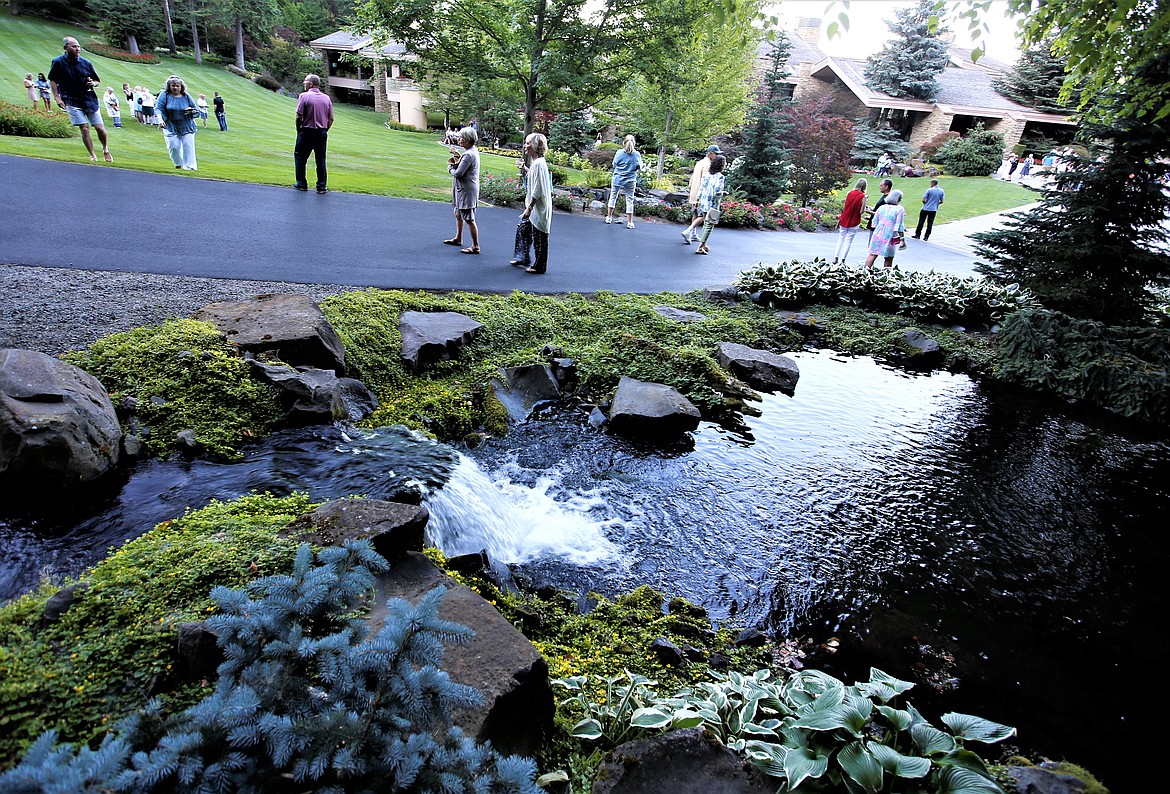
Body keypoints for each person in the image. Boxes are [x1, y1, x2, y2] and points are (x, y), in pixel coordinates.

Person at [47, 37, 112, 162]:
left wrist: (93, 84)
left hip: (89, 99)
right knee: (84, 128)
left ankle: (105, 148)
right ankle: (92, 155)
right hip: (71, 99)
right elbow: (53, 80)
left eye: (78, 46)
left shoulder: (86, 63)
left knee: (99, 128)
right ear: (65, 48)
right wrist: (56, 97)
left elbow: (97, 81)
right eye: (74, 46)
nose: (77, 49)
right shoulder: (58, 62)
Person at [512, 132, 552, 274]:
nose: (525, 146)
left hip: (538, 208)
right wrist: (525, 169)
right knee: (523, 229)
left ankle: (539, 266)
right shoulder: (536, 164)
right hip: (535, 207)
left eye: (528, 143)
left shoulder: (539, 164)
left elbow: (538, 188)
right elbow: (536, 178)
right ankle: (523, 257)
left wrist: (529, 208)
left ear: (536, 146)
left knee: (540, 237)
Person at [442, 126, 481, 254]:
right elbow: (463, 162)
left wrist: (449, 168)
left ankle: (475, 246)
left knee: (469, 218)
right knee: (458, 213)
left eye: (461, 138)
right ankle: (458, 238)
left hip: (466, 190)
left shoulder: (469, 154)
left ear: (468, 139)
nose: (459, 140)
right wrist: (457, 154)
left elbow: (458, 173)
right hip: (462, 189)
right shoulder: (470, 152)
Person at [293, 74, 334, 194]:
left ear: (310, 84)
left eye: (305, 81)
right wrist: (325, 130)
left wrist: (298, 129)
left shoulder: (304, 96)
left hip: (306, 131)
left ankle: (302, 184)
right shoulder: (326, 98)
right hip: (321, 133)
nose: (303, 83)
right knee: (320, 160)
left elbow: (298, 116)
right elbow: (331, 118)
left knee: (300, 157)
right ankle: (321, 186)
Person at [155, 75, 199, 170]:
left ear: (181, 86)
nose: (175, 88)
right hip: (170, 125)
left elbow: (196, 110)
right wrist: (160, 120)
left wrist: (192, 112)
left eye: (177, 86)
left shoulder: (186, 96)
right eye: (173, 86)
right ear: (169, 86)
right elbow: (158, 108)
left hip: (186, 125)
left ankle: (190, 167)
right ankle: (178, 163)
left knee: (188, 146)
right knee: (174, 146)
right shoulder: (165, 95)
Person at [681, 145, 721, 243]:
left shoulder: (700, 163)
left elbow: (693, 177)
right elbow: (705, 182)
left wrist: (691, 190)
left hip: (694, 191)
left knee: (695, 212)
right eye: (716, 154)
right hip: (701, 193)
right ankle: (689, 231)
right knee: (703, 215)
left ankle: (693, 233)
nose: (717, 156)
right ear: (711, 153)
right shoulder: (708, 165)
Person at [604, 135, 642, 228]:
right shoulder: (636, 154)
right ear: (634, 143)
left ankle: (609, 217)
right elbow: (639, 167)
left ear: (624, 142)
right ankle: (630, 222)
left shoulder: (619, 153)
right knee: (629, 200)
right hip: (630, 180)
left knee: (613, 196)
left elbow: (614, 164)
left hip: (618, 178)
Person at [693, 154, 726, 255]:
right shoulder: (720, 177)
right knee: (709, 226)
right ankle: (700, 247)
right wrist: (723, 193)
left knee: (705, 224)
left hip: (703, 202)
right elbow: (717, 191)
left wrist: (698, 200)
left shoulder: (707, 175)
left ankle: (703, 244)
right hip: (712, 204)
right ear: (721, 165)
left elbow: (701, 188)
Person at [866, 189, 906, 269]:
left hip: (878, 233)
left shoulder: (882, 207)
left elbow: (874, 223)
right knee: (889, 257)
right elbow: (899, 225)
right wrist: (902, 239)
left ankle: (865, 272)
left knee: (873, 254)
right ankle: (886, 273)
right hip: (890, 234)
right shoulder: (900, 209)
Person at [832, 178, 867, 264]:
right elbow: (861, 211)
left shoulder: (849, 193)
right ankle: (843, 260)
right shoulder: (863, 196)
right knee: (849, 240)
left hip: (845, 218)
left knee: (841, 238)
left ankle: (836, 257)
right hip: (854, 220)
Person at [863, 178, 893, 248]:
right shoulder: (884, 197)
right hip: (874, 222)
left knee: (873, 244)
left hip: (877, 224)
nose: (880, 187)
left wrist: (870, 212)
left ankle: (870, 258)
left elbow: (883, 213)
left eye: (881, 185)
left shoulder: (887, 199)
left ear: (886, 187)